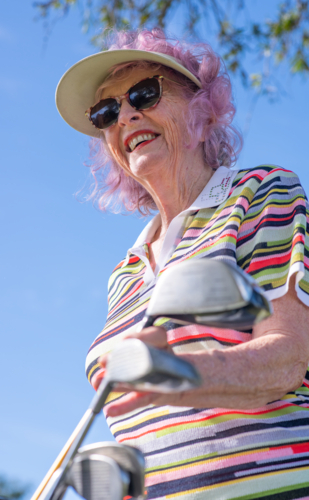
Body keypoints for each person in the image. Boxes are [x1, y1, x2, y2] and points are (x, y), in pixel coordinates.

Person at [56, 28, 309, 499]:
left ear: (201, 107)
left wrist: (178, 376)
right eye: (106, 112)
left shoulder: (258, 193)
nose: (126, 115)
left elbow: (288, 359)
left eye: (144, 94)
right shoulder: (125, 272)